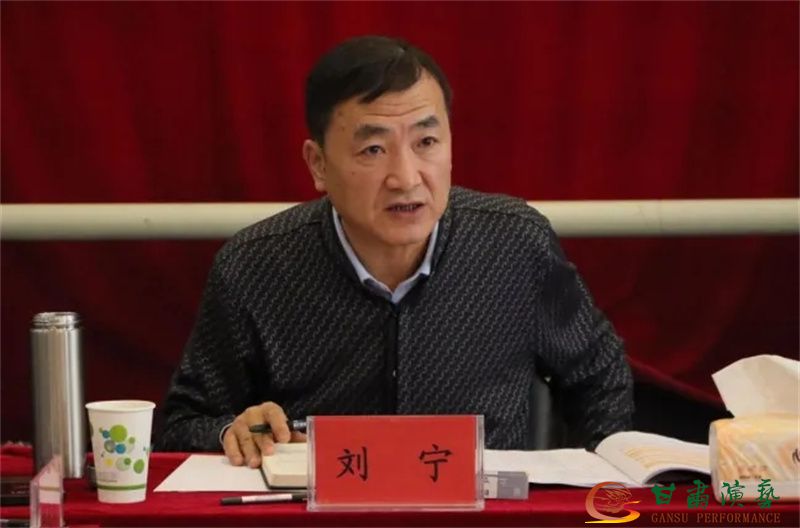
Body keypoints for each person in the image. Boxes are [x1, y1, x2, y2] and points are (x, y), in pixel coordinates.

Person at [158, 35, 634, 467]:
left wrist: (591, 493)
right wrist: (232, 432)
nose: (406, 178)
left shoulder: (514, 245)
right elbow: (181, 424)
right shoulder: (254, 268)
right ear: (318, 164)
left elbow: (600, 378)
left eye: (426, 142)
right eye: (373, 150)